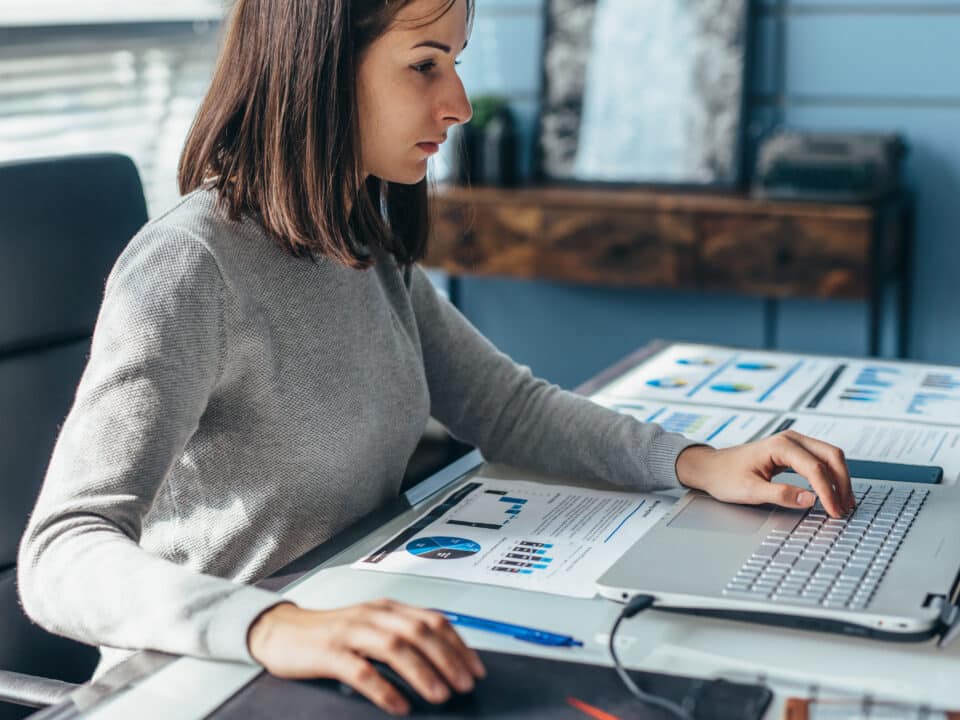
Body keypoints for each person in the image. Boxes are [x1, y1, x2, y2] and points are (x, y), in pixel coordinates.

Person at [17, 0, 854, 716]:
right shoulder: (190, 265)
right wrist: (271, 626)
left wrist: (695, 463)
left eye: (453, 61)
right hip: (210, 675)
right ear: (319, 68)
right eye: (424, 65)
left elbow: (508, 407)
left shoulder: (359, 242)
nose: (457, 103)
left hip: (354, 635)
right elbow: (62, 552)